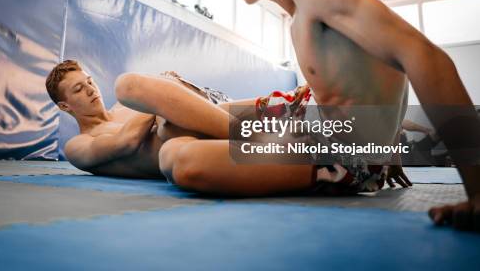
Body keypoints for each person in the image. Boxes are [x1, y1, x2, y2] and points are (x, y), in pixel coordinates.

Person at [204, 0, 479, 230]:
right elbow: (382, 67)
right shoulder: (301, 6)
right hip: (335, 138)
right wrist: (388, 142)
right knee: (173, 146)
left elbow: (422, 57)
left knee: (180, 158)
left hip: (346, 152)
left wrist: (477, 190)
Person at [45, 60, 411, 194]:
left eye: (90, 81)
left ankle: (298, 114)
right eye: (79, 89)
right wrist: (161, 96)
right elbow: (126, 143)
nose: (90, 89)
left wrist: (169, 93)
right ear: (64, 106)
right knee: (173, 151)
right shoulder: (79, 145)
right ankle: (344, 163)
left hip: (224, 121)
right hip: (199, 149)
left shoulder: (122, 103)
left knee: (133, 90)